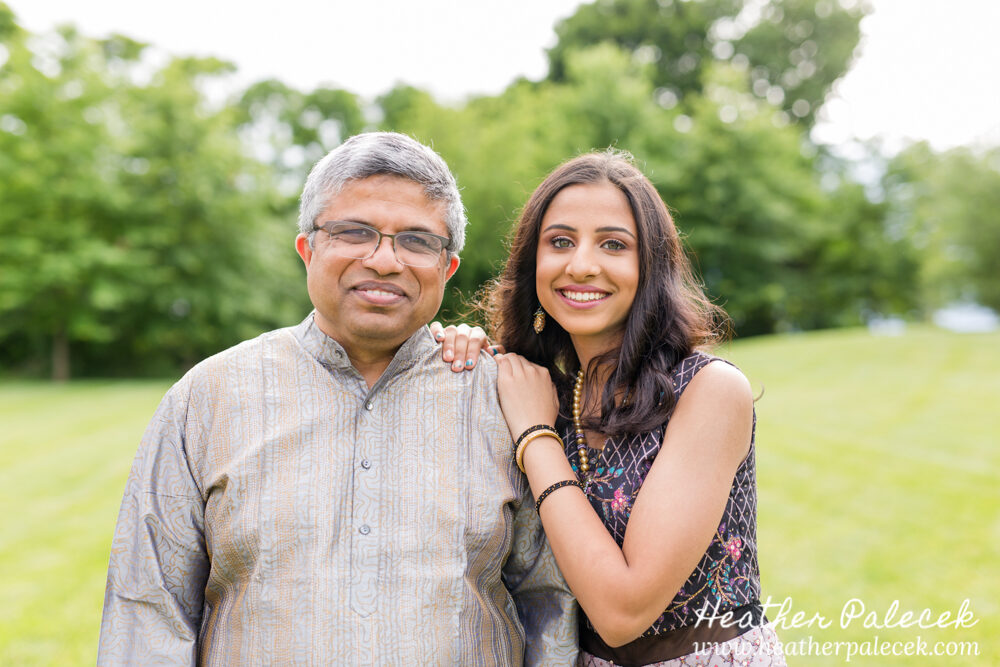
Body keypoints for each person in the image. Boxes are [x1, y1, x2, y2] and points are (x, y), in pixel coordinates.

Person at [97, 132, 578, 666]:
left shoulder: (506, 400)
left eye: (417, 241)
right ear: (308, 248)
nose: (385, 260)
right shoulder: (208, 398)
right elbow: (147, 612)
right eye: (355, 232)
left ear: (447, 268)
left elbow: (550, 607)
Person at [434, 150, 786, 666]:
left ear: (651, 266)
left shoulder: (708, 391)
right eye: (559, 242)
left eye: (614, 244)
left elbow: (623, 613)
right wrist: (458, 350)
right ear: (533, 261)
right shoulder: (544, 388)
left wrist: (535, 436)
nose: (581, 265)